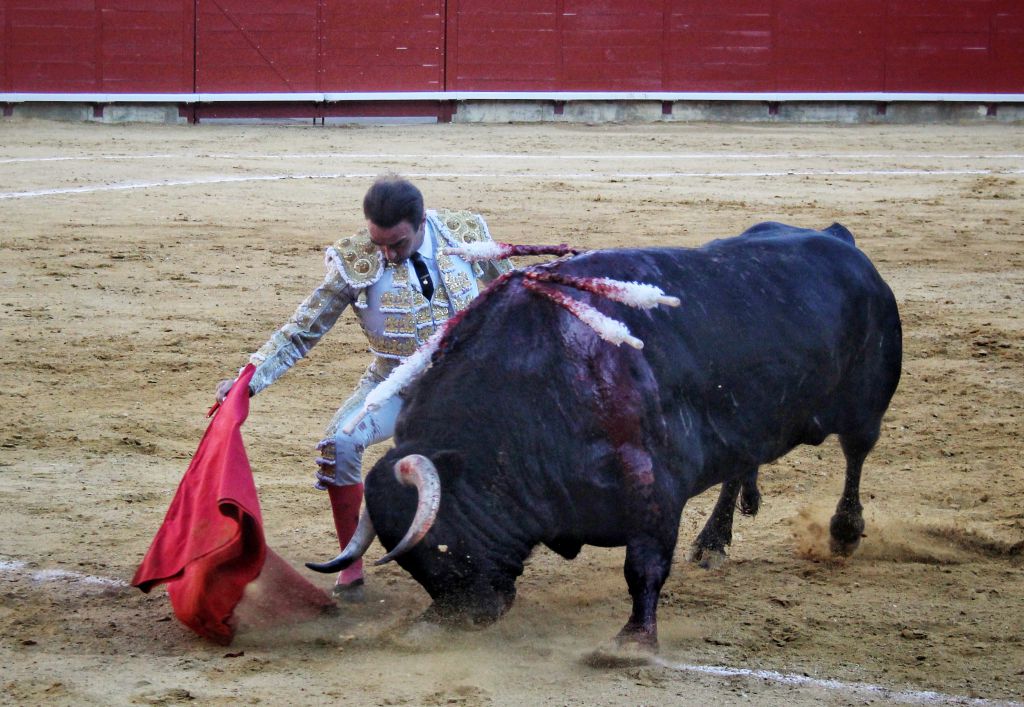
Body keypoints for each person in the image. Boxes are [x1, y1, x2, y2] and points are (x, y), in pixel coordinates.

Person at [215, 176, 513, 600]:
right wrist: (249, 379)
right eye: (380, 243)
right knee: (339, 443)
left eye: (397, 243)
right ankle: (350, 565)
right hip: (394, 383)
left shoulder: (465, 233)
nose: (388, 254)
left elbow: (519, 291)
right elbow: (302, 332)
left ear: (421, 221)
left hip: (467, 386)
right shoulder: (355, 260)